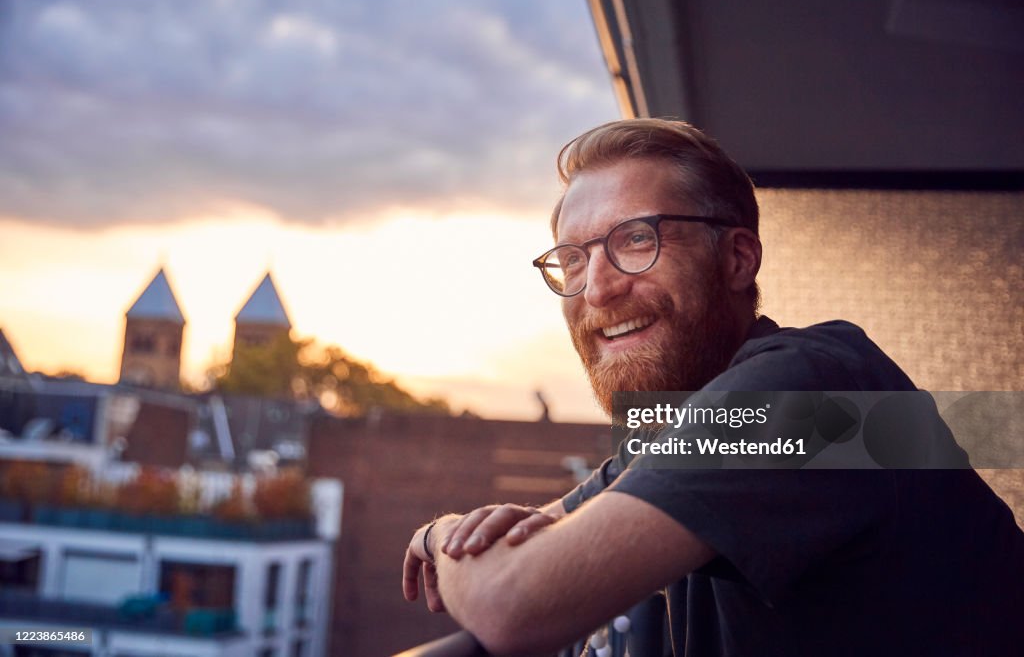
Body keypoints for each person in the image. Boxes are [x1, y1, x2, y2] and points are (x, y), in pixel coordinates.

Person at [401, 118, 1024, 656]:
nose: (596, 289)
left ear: (737, 259)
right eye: (573, 260)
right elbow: (539, 533)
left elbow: (515, 606)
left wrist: (440, 534)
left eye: (636, 239)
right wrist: (466, 542)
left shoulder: (809, 395)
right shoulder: (676, 432)